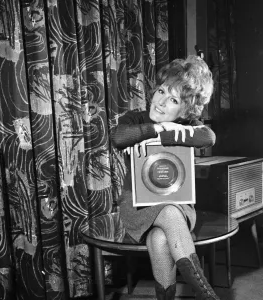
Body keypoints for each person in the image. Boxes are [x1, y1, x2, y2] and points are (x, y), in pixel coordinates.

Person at [111, 55, 219, 300]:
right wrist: (157, 128)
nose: (160, 102)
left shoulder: (186, 124)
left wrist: (168, 133)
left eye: (172, 100)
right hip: (139, 209)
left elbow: (208, 138)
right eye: (161, 91)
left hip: (179, 209)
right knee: (165, 221)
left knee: (161, 235)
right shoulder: (135, 120)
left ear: (184, 109)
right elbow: (118, 138)